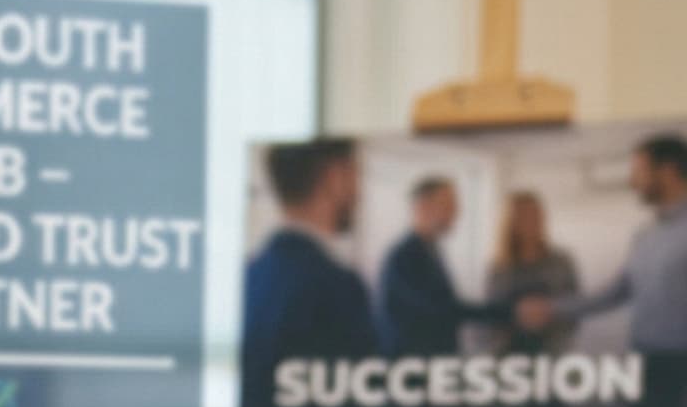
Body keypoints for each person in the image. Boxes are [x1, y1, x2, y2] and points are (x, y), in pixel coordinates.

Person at [525, 133, 687, 407]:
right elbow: (616, 292)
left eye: (638, 170)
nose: (631, 181)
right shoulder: (646, 235)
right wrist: (552, 308)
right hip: (645, 363)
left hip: (681, 365)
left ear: (666, 171)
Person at [242, 138, 378, 368]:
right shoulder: (338, 287)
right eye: (356, 174)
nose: (360, 193)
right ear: (335, 177)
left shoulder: (248, 276)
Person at [377, 176, 507, 358]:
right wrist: (507, 313)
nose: (456, 212)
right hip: (412, 370)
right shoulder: (405, 257)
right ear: (423, 206)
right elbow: (441, 310)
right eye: (447, 205)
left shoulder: (430, 251)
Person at [485, 190, 580, 355]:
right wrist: (519, 314)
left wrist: (548, 311)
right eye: (524, 217)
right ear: (511, 223)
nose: (531, 222)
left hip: (553, 350)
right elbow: (491, 313)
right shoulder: (499, 267)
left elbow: (576, 305)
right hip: (508, 353)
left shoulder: (561, 261)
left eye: (535, 215)